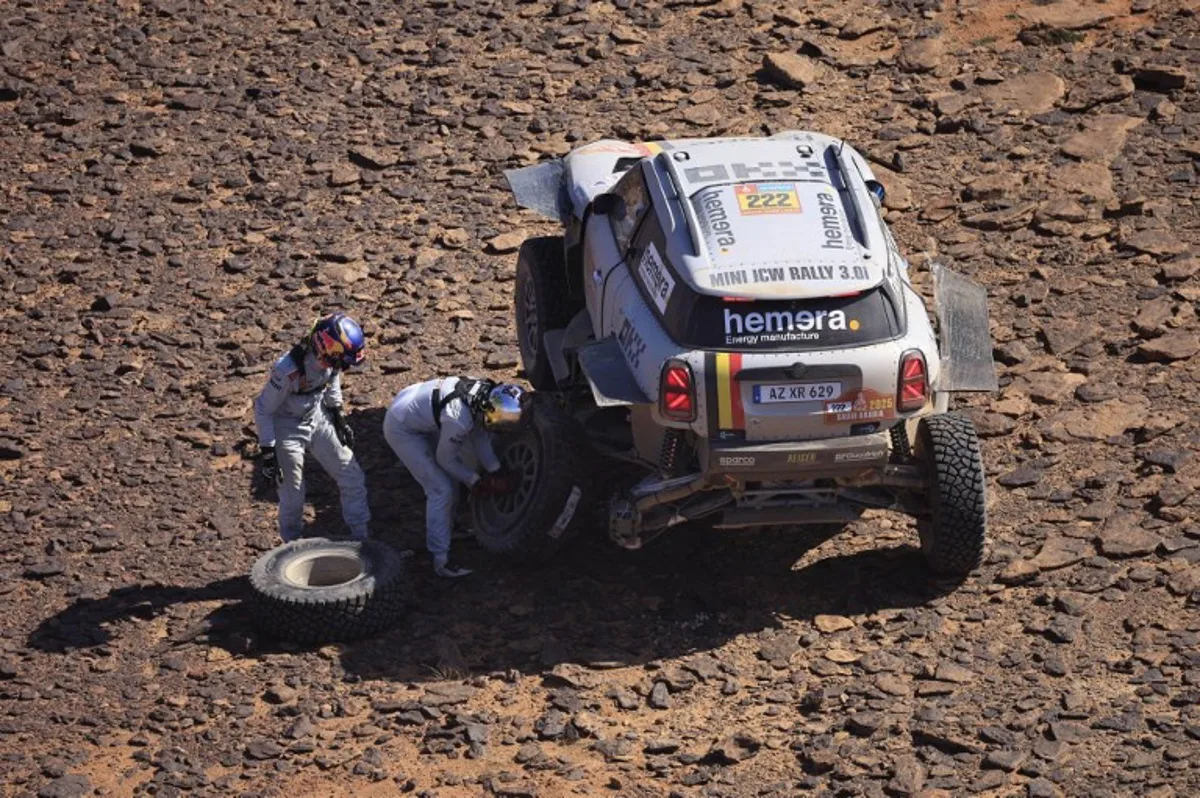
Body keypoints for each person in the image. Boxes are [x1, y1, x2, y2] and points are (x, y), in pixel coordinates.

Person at [383, 377, 529, 578]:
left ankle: (449, 528)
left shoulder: (483, 396)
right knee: (441, 490)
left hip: (420, 406)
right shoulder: (459, 419)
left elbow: (480, 437)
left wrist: (496, 470)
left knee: (452, 481)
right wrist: (475, 481)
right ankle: (440, 560)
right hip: (402, 427)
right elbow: (445, 459)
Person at [254, 312, 371, 543]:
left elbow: (332, 379)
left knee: (352, 475)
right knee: (293, 494)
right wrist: (268, 452)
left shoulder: (332, 361)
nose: (343, 367)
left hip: (316, 417)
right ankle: (292, 546)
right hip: (286, 428)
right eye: (341, 361)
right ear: (325, 350)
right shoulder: (288, 370)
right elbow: (263, 409)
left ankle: (362, 538)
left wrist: (338, 416)